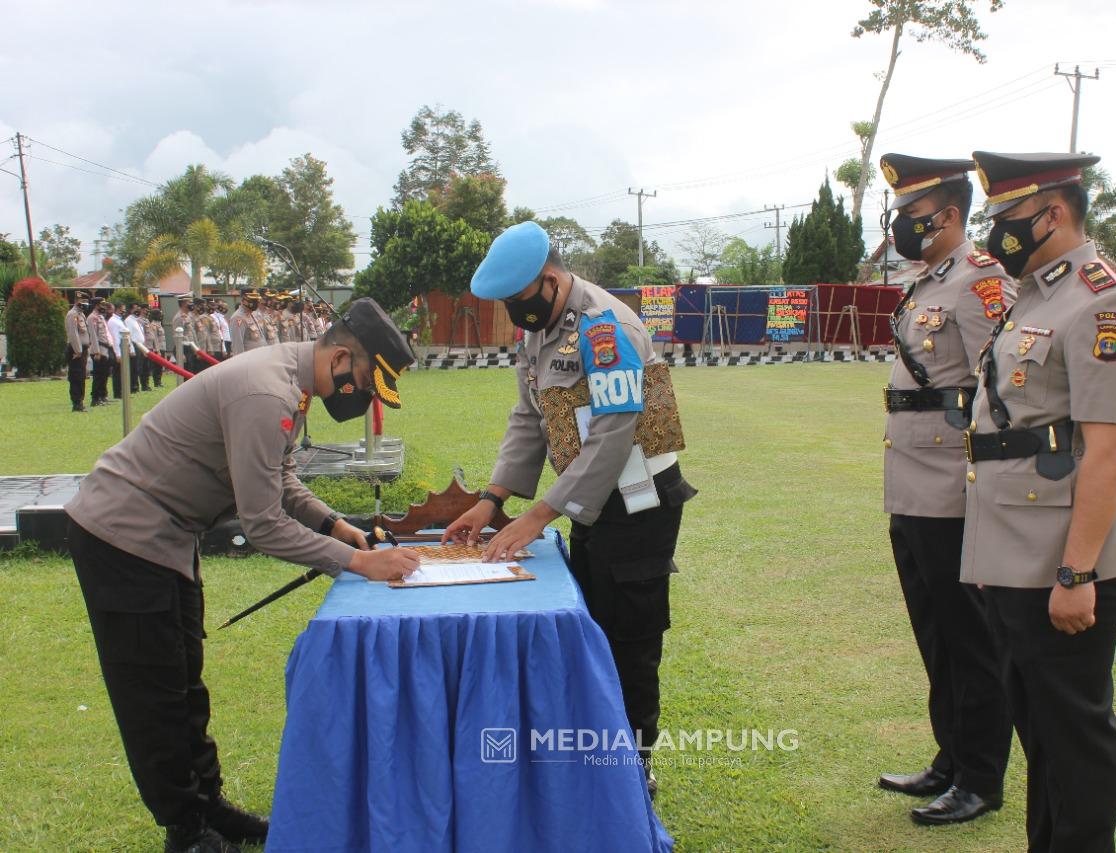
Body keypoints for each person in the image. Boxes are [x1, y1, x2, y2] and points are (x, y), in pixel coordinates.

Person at [66, 297, 420, 853]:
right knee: (155, 691)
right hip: (123, 536)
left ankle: (208, 806)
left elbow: (278, 476)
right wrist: (358, 562)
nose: (365, 397)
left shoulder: (294, 381)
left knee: (185, 680)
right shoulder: (267, 391)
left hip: (165, 538)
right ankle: (185, 829)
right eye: (368, 383)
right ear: (343, 358)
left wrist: (335, 526)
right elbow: (262, 524)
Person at [444, 221, 696, 800]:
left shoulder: (606, 328)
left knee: (628, 637)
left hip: (637, 501)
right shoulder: (543, 327)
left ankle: (636, 765)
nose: (515, 315)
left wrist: (538, 516)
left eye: (519, 301)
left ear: (551, 280)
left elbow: (613, 434)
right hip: (588, 502)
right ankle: (596, 749)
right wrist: (493, 499)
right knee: (590, 631)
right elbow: (529, 416)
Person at [962, 151, 1116, 853]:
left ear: (1053, 212)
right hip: (1018, 550)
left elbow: (1106, 449)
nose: (997, 235)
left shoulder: (1102, 299)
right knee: (1038, 725)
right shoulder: (1036, 293)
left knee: (1073, 729)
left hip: (1068, 558)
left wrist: (1077, 574)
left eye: (1008, 218)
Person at [876, 154, 1014, 825]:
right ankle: (950, 756)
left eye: (911, 213)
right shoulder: (925, 280)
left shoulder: (980, 279)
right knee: (933, 630)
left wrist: (987, 477)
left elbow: (1005, 384)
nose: (901, 224)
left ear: (948, 214)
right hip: (909, 477)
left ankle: (981, 775)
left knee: (970, 635)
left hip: (956, 482)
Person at [65, 290, 93, 412]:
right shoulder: (73, 315)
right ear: (77, 301)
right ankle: (77, 403)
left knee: (82, 376)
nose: (85, 304)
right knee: (76, 376)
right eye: (83, 301)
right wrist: (78, 350)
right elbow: (73, 333)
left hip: (82, 350)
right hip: (76, 350)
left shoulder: (81, 314)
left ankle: (80, 401)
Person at [88, 297, 114, 406]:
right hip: (98, 349)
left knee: (104, 374)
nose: (104, 307)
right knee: (98, 375)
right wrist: (96, 351)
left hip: (105, 348)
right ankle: (95, 398)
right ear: (96, 305)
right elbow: (93, 336)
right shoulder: (92, 318)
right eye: (101, 304)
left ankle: (103, 396)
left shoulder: (100, 317)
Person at [125, 303, 151, 392]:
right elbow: (129, 335)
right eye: (136, 308)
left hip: (141, 346)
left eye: (138, 308)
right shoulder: (128, 320)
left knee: (143, 367)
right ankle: (134, 386)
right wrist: (131, 348)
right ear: (131, 310)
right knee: (135, 368)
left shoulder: (137, 320)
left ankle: (142, 385)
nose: (138, 310)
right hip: (135, 345)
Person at [107, 302, 127, 398]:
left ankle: (121, 391)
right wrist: (117, 353)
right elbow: (115, 338)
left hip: (122, 349)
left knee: (121, 373)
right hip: (118, 349)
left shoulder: (119, 320)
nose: (124, 311)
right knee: (117, 373)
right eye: (123, 309)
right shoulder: (113, 321)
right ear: (118, 309)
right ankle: (118, 393)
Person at [147, 309, 169, 388]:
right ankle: (157, 382)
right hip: (158, 348)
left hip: (162, 347)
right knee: (156, 366)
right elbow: (155, 338)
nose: (162, 316)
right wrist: (157, 350)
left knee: (160, 366)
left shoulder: (159, 324)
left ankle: (159, 381)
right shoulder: (153, 325)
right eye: (160, 314)